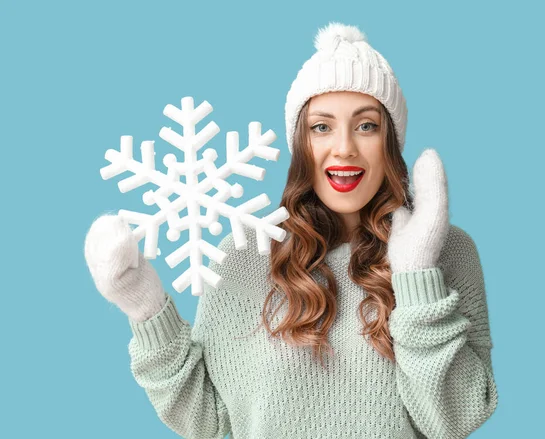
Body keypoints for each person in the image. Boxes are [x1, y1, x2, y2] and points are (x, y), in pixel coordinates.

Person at [84, 22, 498, 439]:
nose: (344, 148)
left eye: (366, 125)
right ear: (301, 143)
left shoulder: (449, 252)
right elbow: (206, 419)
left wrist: (416, 275)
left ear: (391, 140)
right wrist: (144, 306)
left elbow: (456, 420)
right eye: (322, 127)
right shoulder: (245, 254)